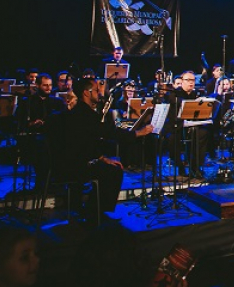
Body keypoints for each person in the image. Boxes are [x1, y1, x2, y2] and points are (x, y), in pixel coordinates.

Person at [47, 77, 152, 217]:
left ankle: (92, 210)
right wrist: (138, 133)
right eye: (96, 90)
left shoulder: (80, 112)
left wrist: (101, 158)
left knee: (109, 166)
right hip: (72, 167)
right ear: (86, 93)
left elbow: (85, 143)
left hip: (69, 162)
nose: (100, 93)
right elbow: (109, 133)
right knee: (113, 171)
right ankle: (96, 213)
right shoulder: (85, 114)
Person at [15, 73, 66, 189]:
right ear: (37, 85)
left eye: (50, 85)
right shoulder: (27, 102)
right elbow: (18, 121)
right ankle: (42, 183)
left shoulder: (57, 102)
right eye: (45, 85)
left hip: (53, 138)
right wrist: (31, 123)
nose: (48, 88)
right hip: (33, 139)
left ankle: (57, 182)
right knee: (41, 148)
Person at [164, 72, 209, 176]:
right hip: (177, 125)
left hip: (193, 125)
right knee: (172, 139)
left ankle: (196, 167)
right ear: (182, 81)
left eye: (193, 80)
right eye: (188, 80)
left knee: (203, 132)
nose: (191, 83)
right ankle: (180, 166)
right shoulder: (174, 94)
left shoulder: (196, 94)